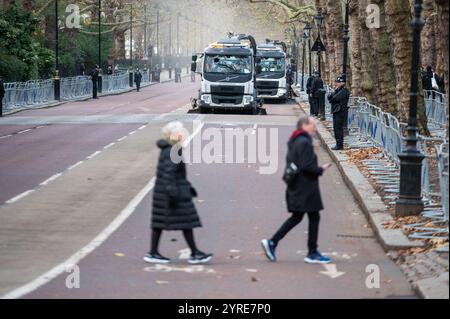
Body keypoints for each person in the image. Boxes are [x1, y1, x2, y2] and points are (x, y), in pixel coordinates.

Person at [261, 116, 332, 264]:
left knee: (298, 217)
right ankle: (311, 252)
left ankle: (273, 242)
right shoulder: (304, 142)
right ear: (304, 125)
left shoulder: (295, 140)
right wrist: (320, 169)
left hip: (297, 185)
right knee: (312, 216)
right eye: (313, 125)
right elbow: (306, 166)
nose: (315, 128)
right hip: (305, 187)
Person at [144, 121, 213, 264]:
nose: (182, 135)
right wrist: (174, 194)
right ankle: (194, 253)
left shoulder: (169, 149)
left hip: (164, 192)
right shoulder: (173, 151)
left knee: (160, 222)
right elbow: (169, 174)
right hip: (173, 193)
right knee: (187, 220)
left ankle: (153, 252)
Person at [328, 75, 350, 151]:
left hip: (340, 111)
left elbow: (333, 99)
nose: (337, 83)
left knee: (338, 128)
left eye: (338, 82)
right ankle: (338, 143)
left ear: (343, 83)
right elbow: (329, 97)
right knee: (336, 128)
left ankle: (339, 145)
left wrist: (332, 96)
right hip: (336, 111)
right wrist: (334, 93)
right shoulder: (338, 90)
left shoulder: (344, 91)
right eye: (337, 82)